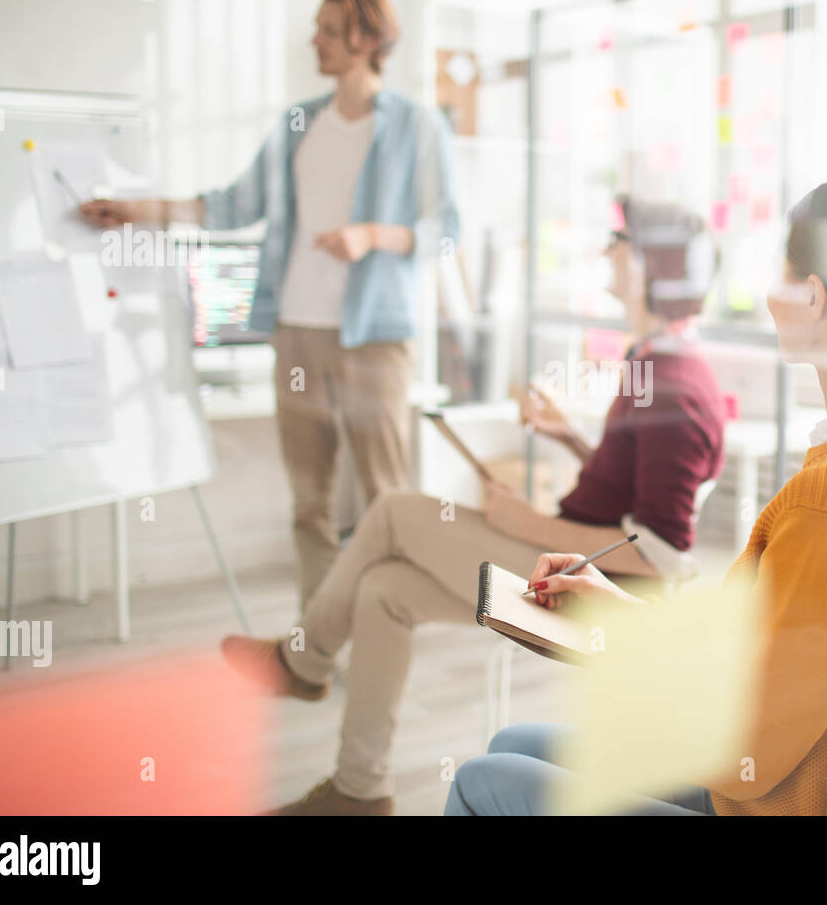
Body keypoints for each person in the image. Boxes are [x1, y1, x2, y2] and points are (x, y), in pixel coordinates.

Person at [445, 175, 827, 816]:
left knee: (482, 779)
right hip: (817, 778)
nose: (766, 290)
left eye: (780, 267)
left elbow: (747, 754)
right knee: (514, 742)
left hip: (776, 797)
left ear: (813, 295)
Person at [220, 196, 728, 814]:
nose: (607, 251)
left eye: (620, 240)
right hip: (570, 560)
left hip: (595, 593)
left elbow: (666, 555)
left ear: (653, 265)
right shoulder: (656, 363)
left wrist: (525, 522)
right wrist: (566, 435)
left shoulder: (672, 382)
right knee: (384, 589)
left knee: (391, 513)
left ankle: (301, 659)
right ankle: (361, 790)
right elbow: (638, 489)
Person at [81, 0, 459, 609]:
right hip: (297, 333)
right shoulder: (299, 124)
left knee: (388, 502)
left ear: (368, 39)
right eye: (318, 27)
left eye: (330, 30)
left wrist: (372, 234)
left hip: (377, 340)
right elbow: (233, 205)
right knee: (309, 503)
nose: (316, 39)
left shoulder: (416, 126)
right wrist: (138, 209)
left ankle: (387, 633)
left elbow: (446, 233)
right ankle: (312, 649)